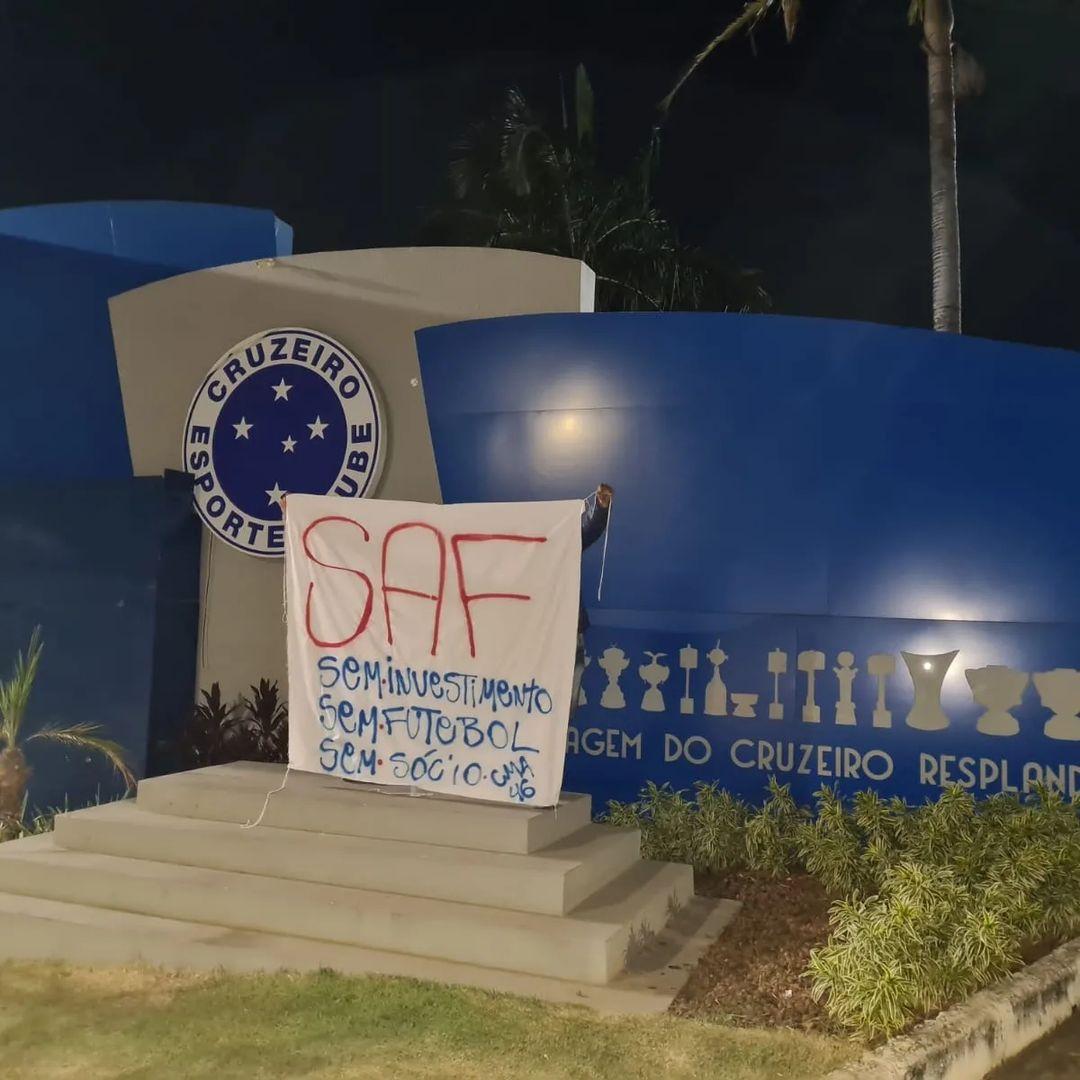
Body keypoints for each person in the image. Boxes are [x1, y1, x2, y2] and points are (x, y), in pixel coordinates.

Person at [571, 483, 613, 722]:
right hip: (533, 635)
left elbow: (590, 528)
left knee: (567, 704)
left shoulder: (564, 541)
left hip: (570, 631)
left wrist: (600, 506)